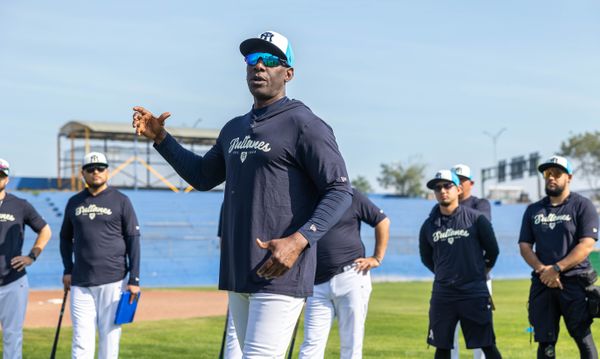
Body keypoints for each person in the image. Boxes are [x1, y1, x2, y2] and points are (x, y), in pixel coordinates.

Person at [132, 30, 352, 358]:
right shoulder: (234, 128)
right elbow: (203, 177)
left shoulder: (304, 123)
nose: (258, 66)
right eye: (252, 60)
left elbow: (339, 190)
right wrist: (162, 139)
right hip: (239, 269)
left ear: (288, 73)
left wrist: (300, 240)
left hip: (280, 269)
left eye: (270, 60)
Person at [60, 152, 141, 359]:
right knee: (81, 340)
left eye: (100, 168)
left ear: (108, 171)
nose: (96, 172)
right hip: (80, 282)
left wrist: (134, 279)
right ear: (83, 173)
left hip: (113, 280)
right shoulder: (74, 202)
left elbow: (133, 238)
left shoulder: (122, 200)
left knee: (109, 340)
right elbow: (64, 238)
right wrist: (68, 269)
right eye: (90, 169)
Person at [518, 155, 599, 359]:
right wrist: (543, 270)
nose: (551, 178)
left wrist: (557, 268)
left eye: (557, 173)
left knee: (582, 337)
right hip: (543, 283)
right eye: (547, 173)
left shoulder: (582, 205)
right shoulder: (533, 210)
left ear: (569, 177)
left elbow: (587, 244)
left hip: (575, 283)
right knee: (545, 341)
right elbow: (525, 245)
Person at [419, 169, 502, 359]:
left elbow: (493, 251)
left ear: (458, 189)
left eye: (447, 186)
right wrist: (445, 273)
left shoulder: (476, 218)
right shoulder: (429, 225)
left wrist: (477, 272)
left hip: (473, 291)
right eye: (437, 188)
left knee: (487, 345)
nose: (442, 191)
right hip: (444, 294)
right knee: (442, 347)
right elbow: (426, 257)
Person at [299, 188, 390, 359]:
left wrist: (377, 258)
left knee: (351, 344)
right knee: (311, 345)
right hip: (315, 283)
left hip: (351, 275)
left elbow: (382, 221)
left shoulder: (350, 195)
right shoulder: (306, 197)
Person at [0, 158, 51, 359]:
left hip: (14, 281)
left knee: (12, 335)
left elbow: (45, 231)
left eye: (1, 175)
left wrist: (32, 256)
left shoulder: (20, 205)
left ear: (7, 179)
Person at [451, 164, 492, 359]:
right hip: (450, 281)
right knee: (448, 332)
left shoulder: (480, 205)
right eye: (454, 180)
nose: (457, 183)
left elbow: (480, 227)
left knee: (480, 331)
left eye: (462, 179)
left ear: (471, 183)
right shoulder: (441, 208)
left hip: (478, 278)